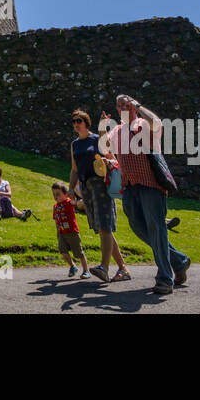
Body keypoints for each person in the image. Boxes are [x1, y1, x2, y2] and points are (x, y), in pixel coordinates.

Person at [105, 94, 190, 296]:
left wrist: (139, 106)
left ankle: (164, 279)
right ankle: (178, 260)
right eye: (120, 106)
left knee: (157, 228)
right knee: (138, 227)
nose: (123, 108)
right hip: (129, 187)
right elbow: (106, 149)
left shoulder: (143, 124)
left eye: (126, 105)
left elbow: (157, 122)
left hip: (150, 185)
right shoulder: (117, 130)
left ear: (133, 106)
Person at [70, 109, 130, 282]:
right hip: (86, 188)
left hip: (100, 185)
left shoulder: (96, 139)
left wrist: (103, 126)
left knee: (105, 226)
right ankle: (123, 268)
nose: (76, 123)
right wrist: (70, 189)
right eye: (74, 121)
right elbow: (74, 169)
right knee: (102, 228)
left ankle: (104, 267)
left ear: (86, 122)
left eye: (79, 120)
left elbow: (110, 154)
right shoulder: (74, 144)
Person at [52, 183, 90, 278]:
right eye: (54, 194)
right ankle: (73, 266)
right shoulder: (55, 206)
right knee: (62, 251)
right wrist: (58, 232)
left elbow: (74, 201)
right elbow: (56, 220)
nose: (55, 197)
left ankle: (86, 270)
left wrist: (72, 193)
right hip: (61, 233)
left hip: (72, 232)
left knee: (78, 252)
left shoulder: (69, 203)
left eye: (58, 194)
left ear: (65, 194)